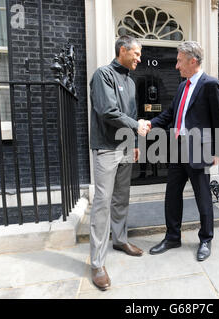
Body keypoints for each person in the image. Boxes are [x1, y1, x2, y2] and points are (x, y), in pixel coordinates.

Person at [145, 41, 219, 261]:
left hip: (199, 149)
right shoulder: (182, 86)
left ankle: (206, 239)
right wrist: (150, 124)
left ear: (193, 61)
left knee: (202, 197)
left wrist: (217, 149)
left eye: (180, 61)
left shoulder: (211, 84)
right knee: (172, 194)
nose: (176, 66)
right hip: (178, 149)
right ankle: (172, 237)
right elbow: (170, 114)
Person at [89, 35, 149, 291]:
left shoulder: (131, 82)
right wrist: (137, 126)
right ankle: (97, 263)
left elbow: (131, 114)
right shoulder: (103, 75)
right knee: (102, 203)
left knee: (122, 198)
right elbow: (107, 111)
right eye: (135, 53)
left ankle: (120, 239)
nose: (139, 58)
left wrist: (134, 143)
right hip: (106, 148)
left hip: (125, 147)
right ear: (122, 50)